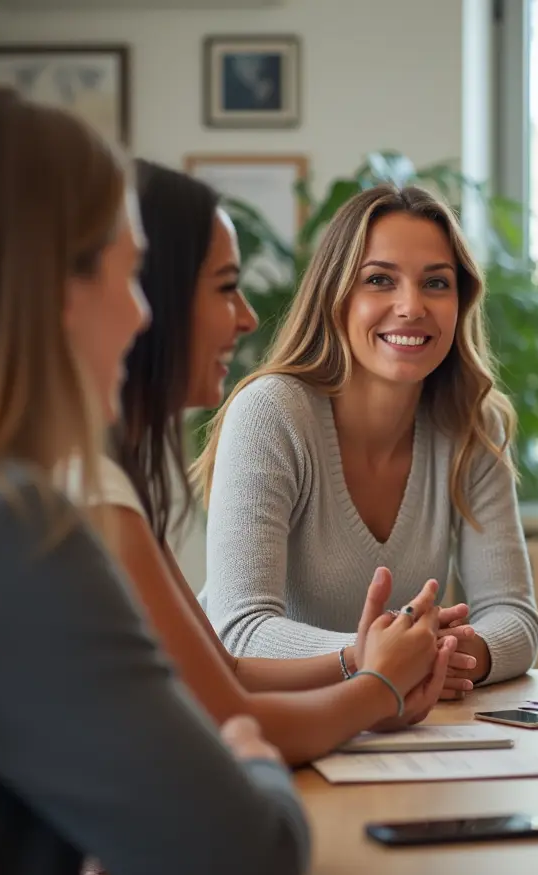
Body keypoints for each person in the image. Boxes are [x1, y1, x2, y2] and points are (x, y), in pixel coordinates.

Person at [0, 86, 308, 875]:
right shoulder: (10, 535)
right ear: (55, 291)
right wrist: (252, 759)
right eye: (132, 275)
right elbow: (244, 860)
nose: (142, 318)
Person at [77, 159, 454, 767]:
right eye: (227, 286)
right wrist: (376, 689)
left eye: (437, 283)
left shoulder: (118, 480)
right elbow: (230, 721)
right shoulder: (89, 493)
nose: (250, 317)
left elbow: (224, 673)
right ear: (150, 299)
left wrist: (363, 661)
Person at [194, 184, 538, 689]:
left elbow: (514, 617)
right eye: (379, 280)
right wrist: (385, 657)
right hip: (260, 716)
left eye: (437, 284)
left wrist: (451, 654)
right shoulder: (271, 412)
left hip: (390, 720)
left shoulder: (472, 425)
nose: (410, 306)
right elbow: (239, 631)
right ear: (336, 297)